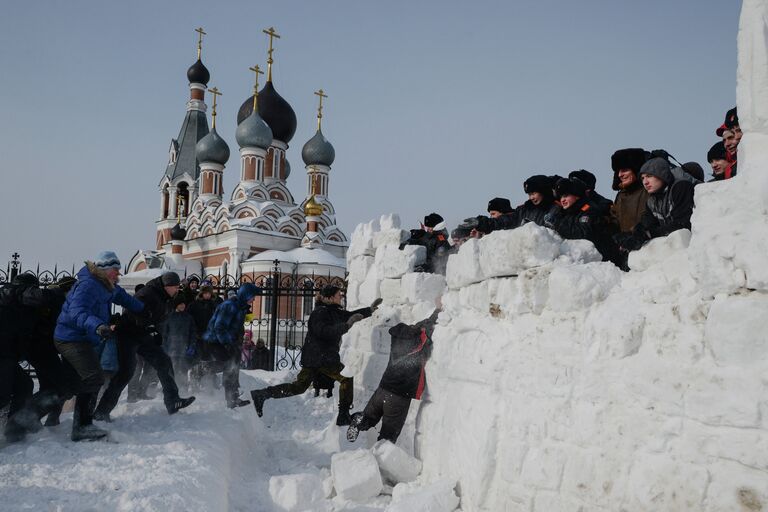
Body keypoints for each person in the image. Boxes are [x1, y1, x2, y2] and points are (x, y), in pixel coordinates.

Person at [250, 286, 382, 426]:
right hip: (320, 357)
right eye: (338, 295)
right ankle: (343, 415)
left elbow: (350, 315)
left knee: (299, 387)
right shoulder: (319, 313)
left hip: (319, 357)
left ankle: (262, 394)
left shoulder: (333, 311)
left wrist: (369, 310)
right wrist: (347, 325)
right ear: (330, 298)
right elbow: (323, 331)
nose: (341, 297)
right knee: (346, 378)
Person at [50, 251, 145, 441]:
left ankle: (30, 418)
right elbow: (77, 311)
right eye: (115, 270)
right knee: (94, 377)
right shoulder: (88, 285)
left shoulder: (107, 286)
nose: (118, 274)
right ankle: (82, 427)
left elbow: (127, 300)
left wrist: (147, 309)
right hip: (71, 338)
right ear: (105, 270)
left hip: (81, 338)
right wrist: (98, 326)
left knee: (68, 386)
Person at [94, 271, 195, 421]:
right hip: (128, 334)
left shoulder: (164, 297)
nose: (176, 290)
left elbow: (158, 317)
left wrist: (155, 330)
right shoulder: (147, 293)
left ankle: (173, 401)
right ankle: (101, 412)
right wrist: (150, 326)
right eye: (174, 287)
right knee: (125, 373)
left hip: (142, 335)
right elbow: (132, 311)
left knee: (164, 362)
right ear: (166, 285)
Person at [347, 309, 439, 444]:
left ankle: (359, 421)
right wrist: (439, 311)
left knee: (369, 417)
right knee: (388, 436)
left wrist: (434, 313)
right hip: (398, 398)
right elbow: (428, 328)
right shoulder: (419, 343)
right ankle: (380, 460)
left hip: (382, 390)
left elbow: (420, 326)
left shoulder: (399, 339)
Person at [195, 283, 260, 408]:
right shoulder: (229, 306)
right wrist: (227, 343)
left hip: (231, 342)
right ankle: (203, 369)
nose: (254, 299)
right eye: (253, 296)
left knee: (233, 369)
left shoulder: (241, 307)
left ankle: (233, 399)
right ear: (246, 295)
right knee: (227, 366)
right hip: (217, 342)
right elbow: (219, 327)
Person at [614, 157, 695, 252]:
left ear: (662, 175)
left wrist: (649, 234)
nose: (645, 182)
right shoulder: (651, 201)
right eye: (642, 178)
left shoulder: (680, 187)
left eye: (649, 176)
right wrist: (633, 235)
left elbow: (683, 224)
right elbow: (647, 223)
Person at [544, 178, 619, 263]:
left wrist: (557, 224)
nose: (562, 200)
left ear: (577, 195)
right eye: (560, 197)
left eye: (566, 195)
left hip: (600, 263)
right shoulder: (565, 212)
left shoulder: (589, 210)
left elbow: (583, 233)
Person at [460, 174, 558, 235]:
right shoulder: (524, 210)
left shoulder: (556, 208)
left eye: (533, 193)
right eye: (529, 194)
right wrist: (482, 223)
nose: (531, 197)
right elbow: (505, 221)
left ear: (543, 191)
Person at [160, 295, 197, 390]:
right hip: (172, 350)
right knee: (173, 370)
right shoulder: (169, 317)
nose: (183, 306)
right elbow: (164, 334)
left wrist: (192, 346)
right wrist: (165, 348)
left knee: (184, 370)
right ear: (176, 305)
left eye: (184, 304)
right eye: (180, 304)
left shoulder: (189, 317)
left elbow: (193, 333)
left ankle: (183, 389)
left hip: (185, 349)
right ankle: (172, 390)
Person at [609, 148, 649, 234]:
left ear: (636, 170)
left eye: (624, 170)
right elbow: (614, 220)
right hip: (626, 246)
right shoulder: (620, 196)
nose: (620, 175)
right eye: (618, 171)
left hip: (650, 245)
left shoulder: (648, 191)